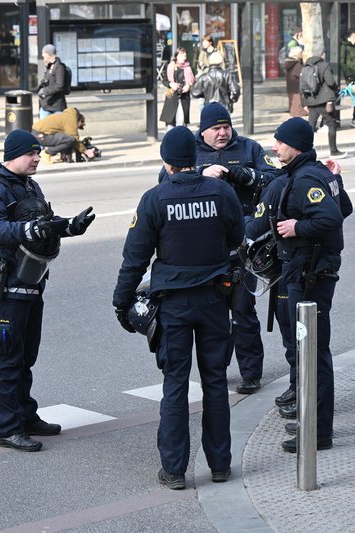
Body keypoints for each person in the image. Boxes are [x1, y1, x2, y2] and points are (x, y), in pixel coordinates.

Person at [112, 126, 244, 489]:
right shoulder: (221, 191)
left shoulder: (155, 198)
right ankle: (220, 465)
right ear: (195, 158)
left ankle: (174, 470)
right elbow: (237, 237)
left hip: (174, 304)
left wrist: (122, 300)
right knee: (215, 381)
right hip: (216, 300)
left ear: (166, 162)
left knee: (175, 385)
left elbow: (134, 257)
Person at [0, 130, 95, 452]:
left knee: (26, 356)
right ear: (13, 155)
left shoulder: (30, 185)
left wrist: (69, 226)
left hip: (31, 284)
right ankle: (7, 429)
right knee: (6, 360)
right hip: (7, 287)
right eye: (32, 153)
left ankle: (26, 416)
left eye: (38, 153)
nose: (38, 158)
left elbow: (45, 223)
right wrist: (31, 228)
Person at [159, 103, 276, 394]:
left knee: (243, 312)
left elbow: (274, 180)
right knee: (213, 317)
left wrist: (241, 176)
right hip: (203, 249)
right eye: (216, 128)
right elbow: (165, 181)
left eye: (226, 127)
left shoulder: (249, 148)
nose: (223, 133)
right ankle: (218, 370)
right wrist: (201, 172)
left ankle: (251, 373)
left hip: (242, 246)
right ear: (203, 130)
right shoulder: (191, 150)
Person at [269, 117, 352, 452]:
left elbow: (331, 217)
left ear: (296, 145)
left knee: (313, 355)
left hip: (310, 276)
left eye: (279, 141)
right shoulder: (317, 172)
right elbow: (344, 206)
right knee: (313, 353)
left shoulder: (305, 178)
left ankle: (317, 433)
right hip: (313, 272)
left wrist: (297, 228)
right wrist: (337, 179)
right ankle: (314, 423)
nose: (274, 147)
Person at [303, 49, 346, 156]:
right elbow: (330, 82)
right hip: (324, 101)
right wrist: (336, 89)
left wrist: (304, 103)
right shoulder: (324, 65)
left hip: (311, 100)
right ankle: (334, 151)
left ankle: (305, 151)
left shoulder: (306, 66)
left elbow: (302, 86)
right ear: (323, 55)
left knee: (310, 127)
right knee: (331, 124)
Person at [31, 106, 96, 164]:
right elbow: (74, 139)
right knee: (70, 139)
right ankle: (47, 153)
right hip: (40, 136)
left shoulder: (67, 116)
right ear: (80, 121)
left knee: (65, 138)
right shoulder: (71, 120)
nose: (77, 128)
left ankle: (63, 157)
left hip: (36, 134)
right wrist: (86, 151)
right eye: (80, 126)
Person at [160, 48, 194, 131]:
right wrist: (171, 84)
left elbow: (193, 81)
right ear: (176, 56)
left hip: (184, 97)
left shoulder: (189, 67)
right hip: (172, 96)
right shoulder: (170, 67)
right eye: (181, 54)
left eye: (185, 55)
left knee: (181, 122)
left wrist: (188, 86)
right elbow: (164, 81)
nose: (184, 57)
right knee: (170, 123)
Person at [36, 44, 68, 120]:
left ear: (48, 54)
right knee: (43, 128)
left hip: (57, 107)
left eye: (43, 53)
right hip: (46, 105)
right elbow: (48, 81)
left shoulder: (59, 67)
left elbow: (60, 86)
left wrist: (45, 92)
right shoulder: (50, 66)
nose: (42, 55)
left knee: (56, 130)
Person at [284, 47, 307, 117]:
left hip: (291, 88)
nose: (302, 54)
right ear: (297, 54)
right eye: (301, 53)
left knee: (294, 107)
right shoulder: (297, 65)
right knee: (297, 109)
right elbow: (305, 76)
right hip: (297, 89)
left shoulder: (289, 64)